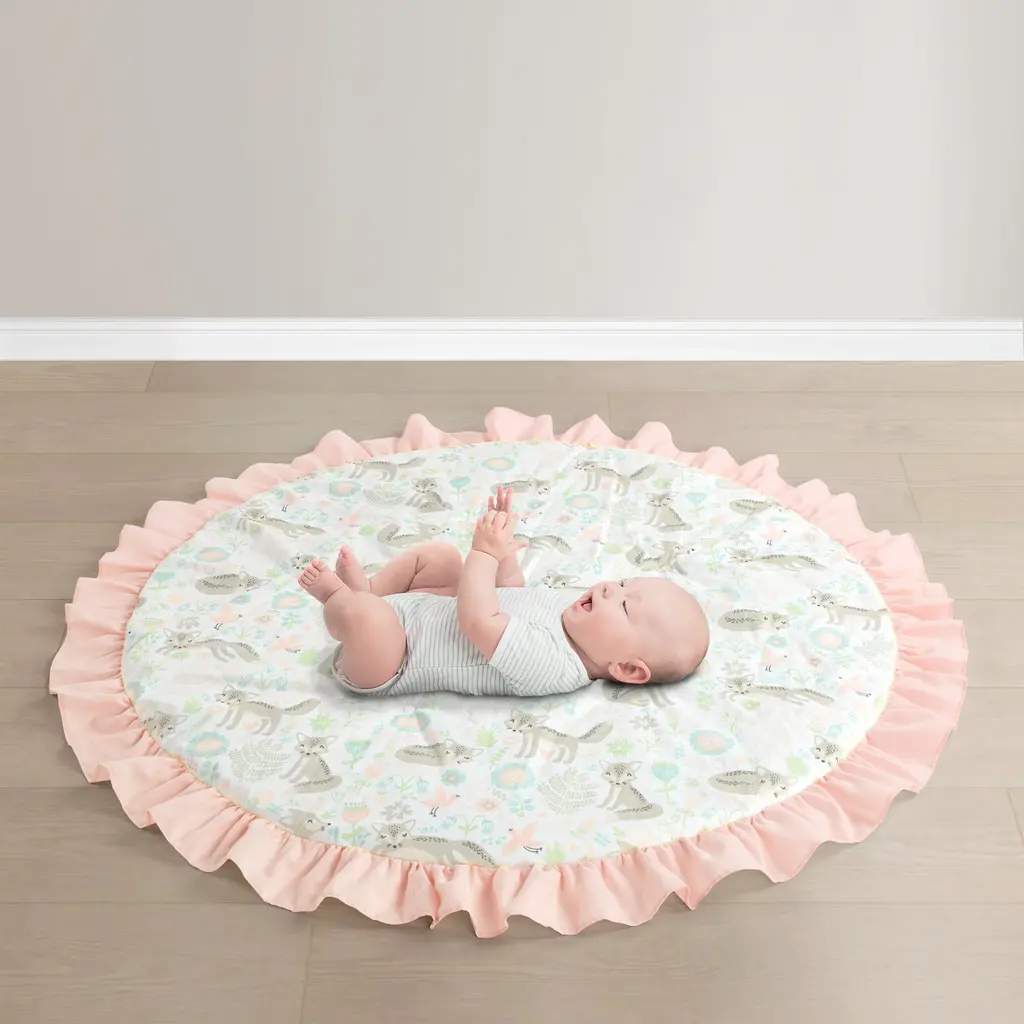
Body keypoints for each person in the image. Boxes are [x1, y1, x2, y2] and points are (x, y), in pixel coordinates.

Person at [298, 487, 709, 698]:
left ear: (627, 669)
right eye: (621, 583)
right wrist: (505, 556)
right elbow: (508, 594)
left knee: (370, 620)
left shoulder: (555, 666)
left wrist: (484, 552)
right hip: (424, 610)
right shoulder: (570, 615)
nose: (607, 588)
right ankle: (370, 591)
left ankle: (339, 599)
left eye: (623, 605)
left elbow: (478, 620)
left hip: (390, 662)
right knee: (441, 557)